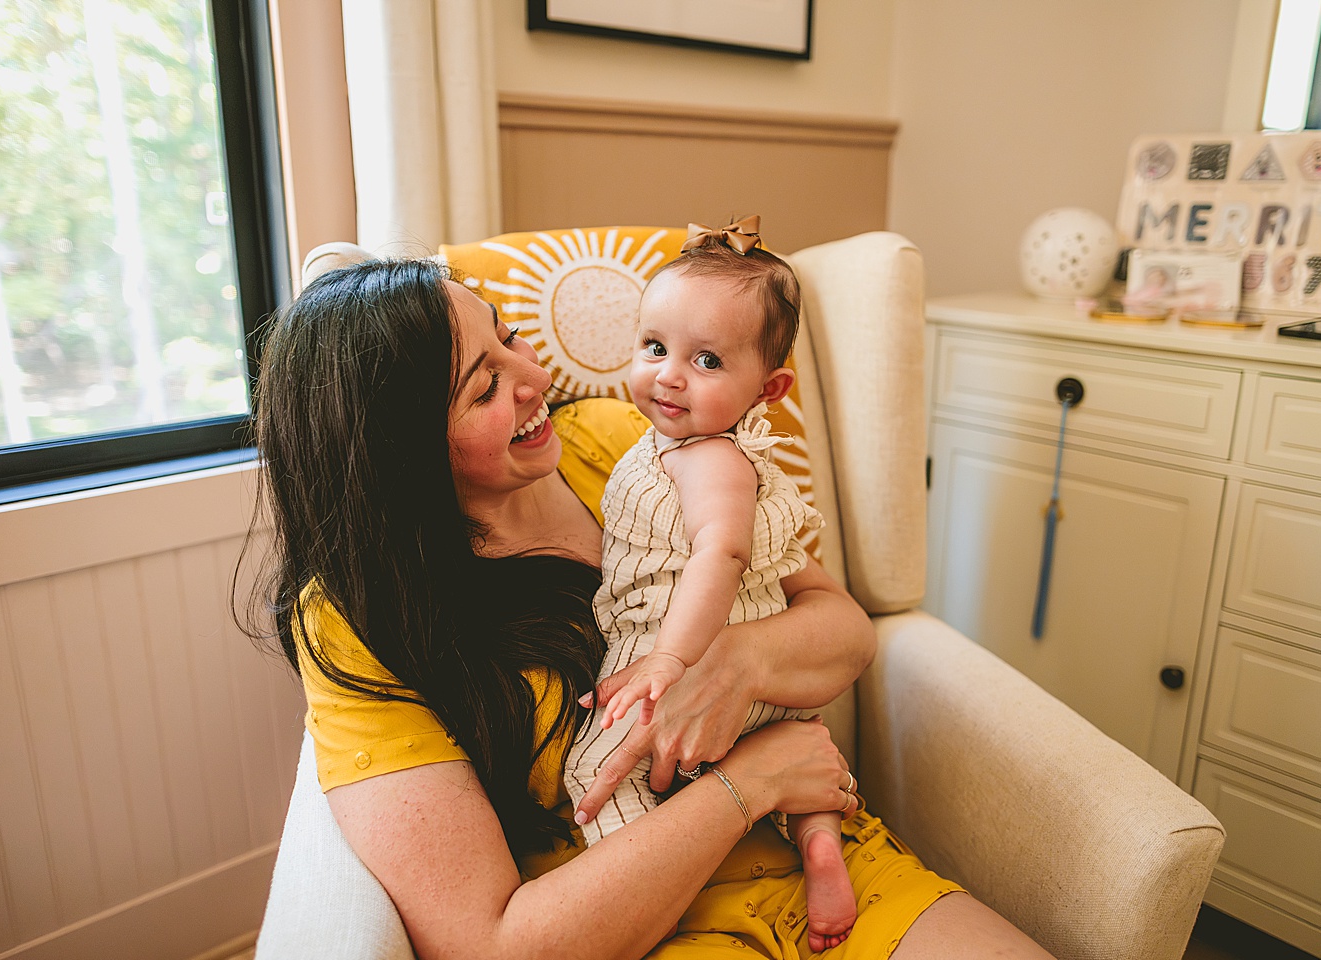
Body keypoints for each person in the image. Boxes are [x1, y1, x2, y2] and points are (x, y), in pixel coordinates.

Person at [247, 247, 1058, 959]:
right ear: (401, 451)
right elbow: (493, 944)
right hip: (635, 924)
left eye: (511, 336)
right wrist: (751, 779)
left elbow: (844, 630)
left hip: (812, 863)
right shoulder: (358, 618)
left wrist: (737, 662)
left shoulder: (622, 443)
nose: (536, 382)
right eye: (486, 385)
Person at [564, 218, 855, 951]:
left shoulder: (711, 459)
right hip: (763, 699)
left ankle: (649, 884)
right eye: (656, 348)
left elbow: (721, 555)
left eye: (707, 360)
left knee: (596, 770)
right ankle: (818, 838)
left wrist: (669, 659)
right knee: (794, 734)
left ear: (770, 387)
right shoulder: (666, 441)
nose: (668, 374)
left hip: (688, 656)